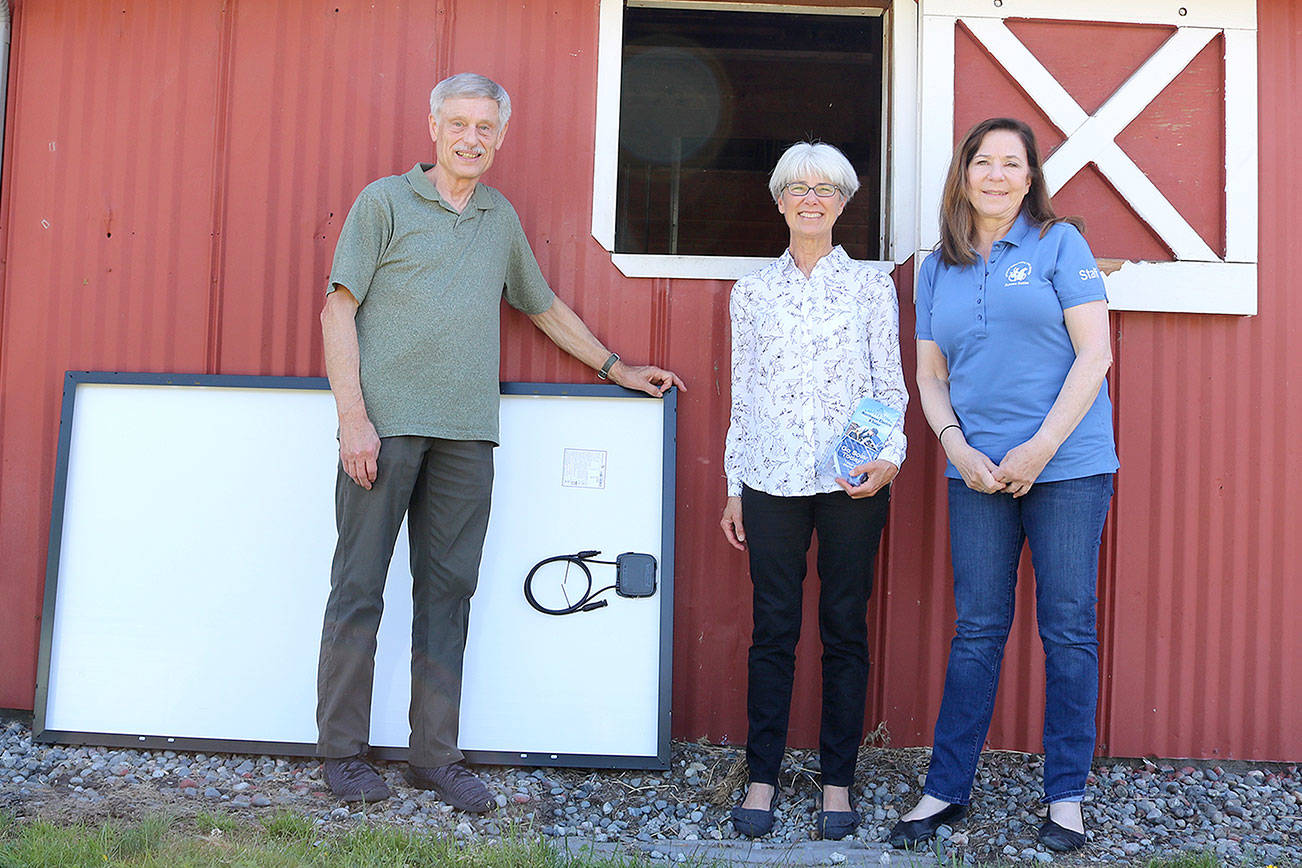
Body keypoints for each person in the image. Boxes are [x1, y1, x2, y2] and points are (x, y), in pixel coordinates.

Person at [316, 72, 685, 810]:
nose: (471, 139)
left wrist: (617, 367)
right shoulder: (384, 202)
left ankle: (434, 756)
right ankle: (343, 756)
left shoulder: (498, 217)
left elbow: (542, 306)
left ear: (501, 135)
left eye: (485, 128)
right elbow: (337, 311)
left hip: (467, 436)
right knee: (359, 588)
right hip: (383, 431)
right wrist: (353, 418)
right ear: (433, 125)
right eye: (459, 124)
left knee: (448, 595)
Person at [889, 117, 1117, 853]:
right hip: (977, 472)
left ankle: (1067, 796)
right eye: (981, 162)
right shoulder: (937, 267)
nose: (994, 175)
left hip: (1069, 467)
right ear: (963, 174)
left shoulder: (1060, 245)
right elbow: (929, 375)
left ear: (1029, 177)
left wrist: (1040, 449)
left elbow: (1096, 354)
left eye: (1010, 164)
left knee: (1068, 628)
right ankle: (945, 789)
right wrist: (955, 447)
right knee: (978, 629)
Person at [720, 142, 906, 841]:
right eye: (796, 186)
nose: (810, 197)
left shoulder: (870, 287)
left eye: (826, 187)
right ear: (778, 200)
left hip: (851, 482)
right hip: (770, 477)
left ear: (844, 201)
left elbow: (888, 383)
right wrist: (735, 483)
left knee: (843, 628)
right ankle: (761, 776)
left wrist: (889, 456)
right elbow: (745, 394)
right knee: (774, 630)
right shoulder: (753, 291)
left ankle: (837, 782)